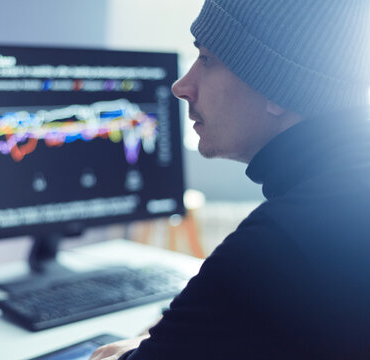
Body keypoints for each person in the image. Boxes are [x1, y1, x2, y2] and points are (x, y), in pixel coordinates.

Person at [91, 0, 370, 358]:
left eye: (207, 60)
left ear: (276, 86)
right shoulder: (340, 193)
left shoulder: (278, 243)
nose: (181, 86)